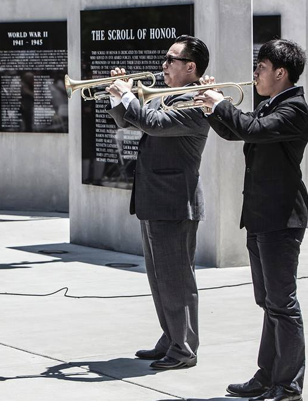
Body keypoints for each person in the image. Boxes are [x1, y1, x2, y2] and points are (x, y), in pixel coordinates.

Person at [195, 39, 308, 401]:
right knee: (268, 302)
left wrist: (222, 103)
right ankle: (267, 375)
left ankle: (288, 385)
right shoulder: (270, 105)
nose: (254, 73)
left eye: (260, 66)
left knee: (282, 303)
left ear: (280, 72)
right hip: (261, 216)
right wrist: (210, 107)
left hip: (281, 218)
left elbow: (252, 130)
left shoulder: (294, 109)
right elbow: (235, 130)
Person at [105, 35, 210, 370]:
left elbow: (153, 123)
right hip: (154, 199)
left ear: (190, 67)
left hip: (176, 202)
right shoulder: (162, 96)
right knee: (159, 277)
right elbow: (128, 121)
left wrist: (128, 96)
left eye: (170, 60)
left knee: (177, 279)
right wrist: (117, 95)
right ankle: (171, 336)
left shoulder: (194, 102)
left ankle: (184, 348)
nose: (163, 65)